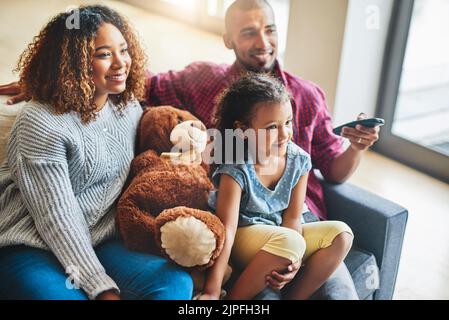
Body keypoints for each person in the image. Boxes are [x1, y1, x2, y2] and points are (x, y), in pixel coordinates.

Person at [0, 0, 380, 299]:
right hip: (39, 243)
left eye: (269, 30)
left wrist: (357, 147)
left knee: (334, 288)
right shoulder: (201, 81)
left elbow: (333, 169)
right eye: (248, 33)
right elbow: (57, 220)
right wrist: (48, 82)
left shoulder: (305, 96)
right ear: (228, 39)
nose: (262, 42)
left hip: (292, 224)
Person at [0, 6, 193, 300]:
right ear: (72, 62)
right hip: (31, 245)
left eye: (124, 50)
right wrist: (101, 288)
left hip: (100, 241)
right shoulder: (39, 122)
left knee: (174, 283)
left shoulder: (127, 106)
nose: (121, 63)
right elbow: (57, 217)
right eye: (104, 54)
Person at [201, 73, 353, 300]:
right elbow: (227, 229)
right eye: (272, 127)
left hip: (281, 237)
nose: (284, 134)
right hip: (244, 237)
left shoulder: (299, 161)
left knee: (342, 235)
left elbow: (292, 218)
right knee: (290, 241)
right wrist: (211, 290)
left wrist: (295, 261)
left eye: (288, 123)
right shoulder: (236, 167)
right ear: (243, 130)